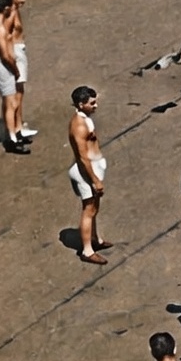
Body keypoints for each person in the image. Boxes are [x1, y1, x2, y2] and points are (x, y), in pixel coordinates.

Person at [68, 85, 110, 264]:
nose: (96, 106)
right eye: (92, 103)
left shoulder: (86, 119)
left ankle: (95, 239)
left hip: (94, 168)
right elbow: (83, 158)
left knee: (95, 208)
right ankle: (87, 251)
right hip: (87, 172)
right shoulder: (78, 126)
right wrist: (95, 180)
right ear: (80, 104)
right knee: (88, 210)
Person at [0, 0, 30, 155]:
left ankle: (15, 134)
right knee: (11, 104)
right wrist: (16, 70)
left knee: (9, 102)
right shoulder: (1, 29)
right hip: (4, 66)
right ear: (5, 8)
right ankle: (12, 139)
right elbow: (5, 56)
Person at [8, 0, 36, 142]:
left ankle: (18, 124)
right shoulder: (11, 13)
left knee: (18, 91)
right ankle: (18, 127)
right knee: (18, 92)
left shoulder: (15, 10)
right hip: (16, 51)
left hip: (19, 49)